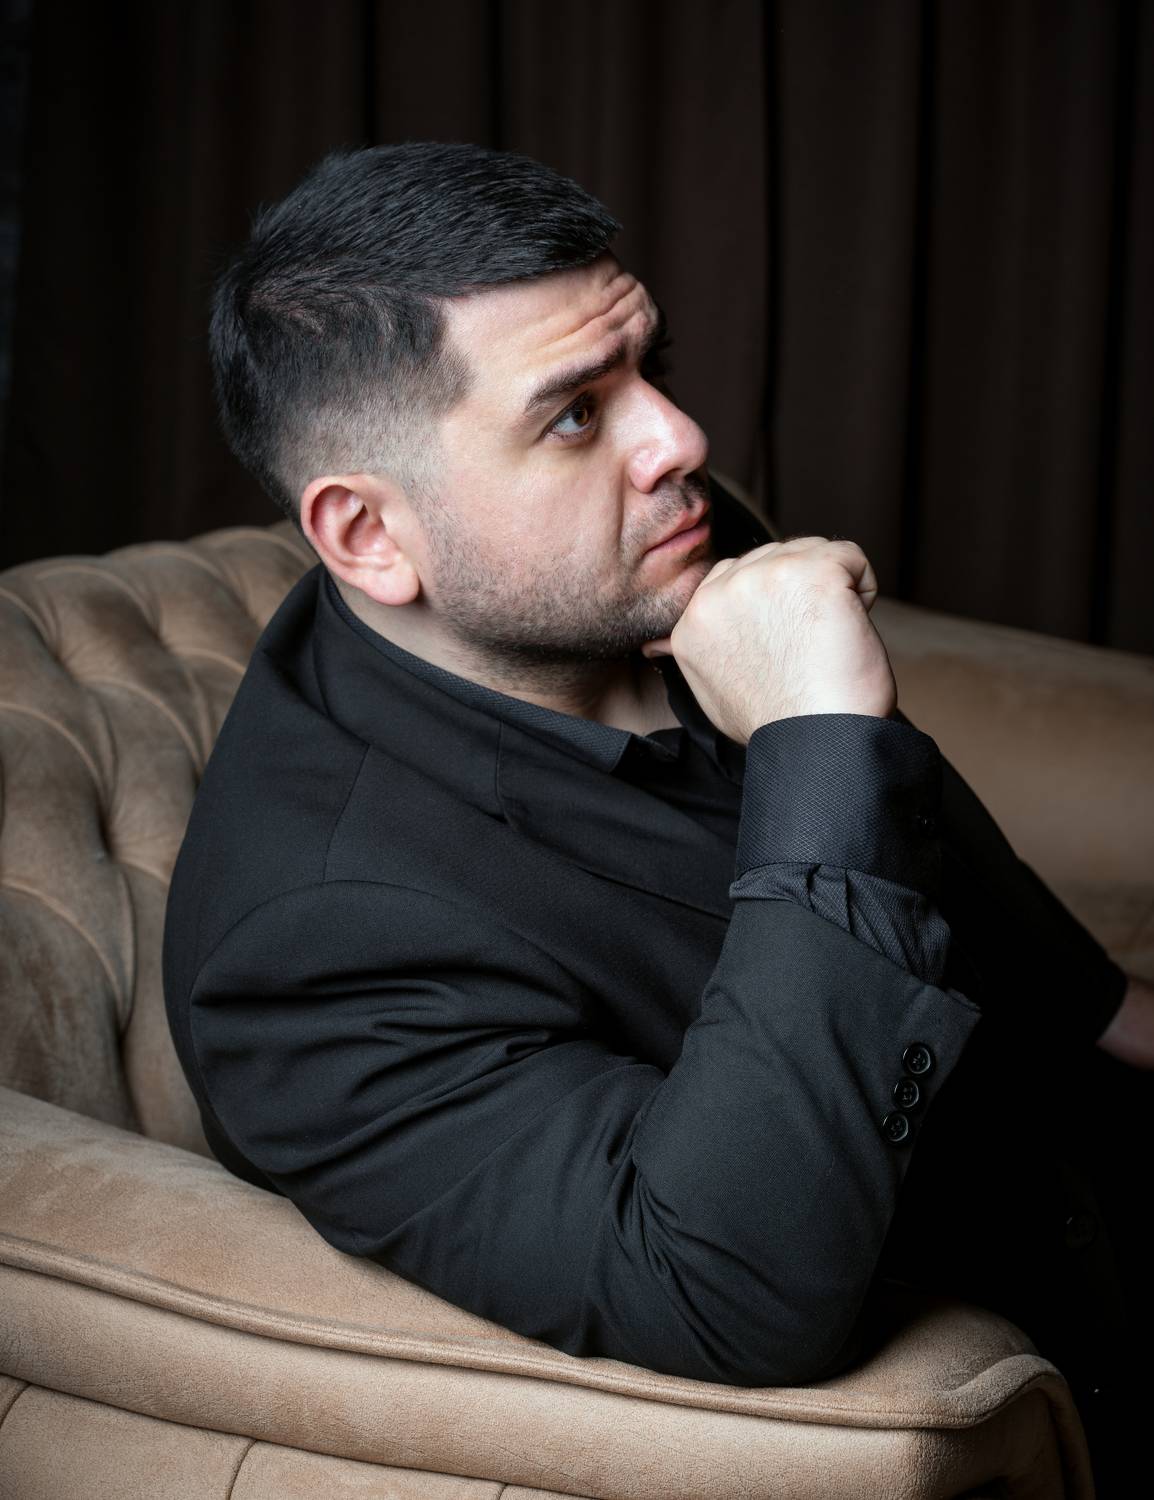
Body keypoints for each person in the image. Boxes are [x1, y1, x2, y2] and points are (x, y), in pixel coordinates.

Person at [163, 141, 1152, 1483]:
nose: (678, 440)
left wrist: (1100, 1006)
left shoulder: (644, 543)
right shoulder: (306, 952)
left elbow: (909, 813)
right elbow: (729, 1290)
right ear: (369, 538)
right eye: (574, 414)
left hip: (1090, 1157)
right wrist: (816, 741)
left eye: (650, 368)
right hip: (1031, 1334)